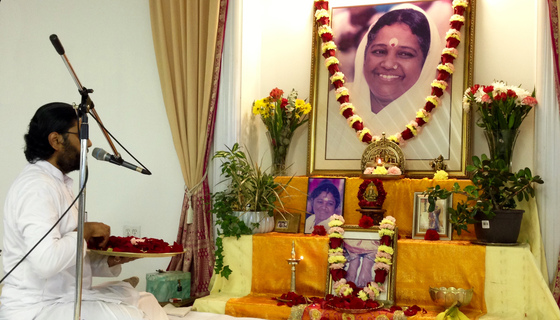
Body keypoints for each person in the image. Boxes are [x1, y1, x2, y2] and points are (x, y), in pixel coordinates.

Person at [0, 103, 168, 320]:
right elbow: (46, 261)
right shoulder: (37, 187)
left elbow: (67, 259)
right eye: (81, 134)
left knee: (145, 300)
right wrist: (85, 231)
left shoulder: (59, 184)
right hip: (36, 308)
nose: (88, 143)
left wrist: (108, 261)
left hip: (64, 298)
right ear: (56, 140)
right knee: (131, 316)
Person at [326, 3, 452, 161]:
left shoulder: (442, 114)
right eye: (379, 51)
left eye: (405, 54)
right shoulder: (333, 104)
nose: (388, 64)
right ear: (364, 55)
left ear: (426, 62)